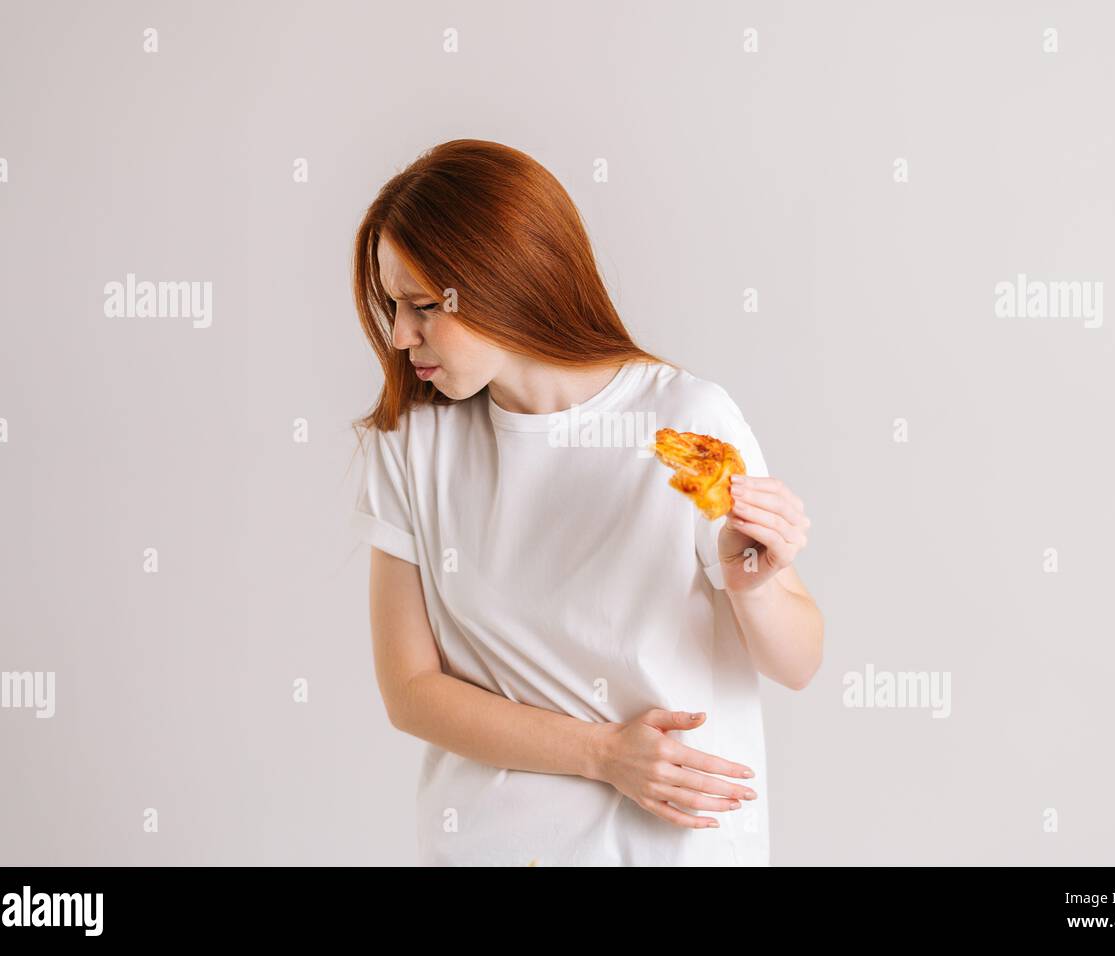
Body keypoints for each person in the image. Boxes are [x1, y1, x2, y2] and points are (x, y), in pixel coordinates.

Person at [350, 139, 823, 865]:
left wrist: (754, 586)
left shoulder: (684, 420)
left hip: (672, 846)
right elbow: (410, 690)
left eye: (420, 306)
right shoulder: (411, 445)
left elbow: (797, 662)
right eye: (391, 305)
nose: (400, 334)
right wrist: (602, 754)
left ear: (506, 278)